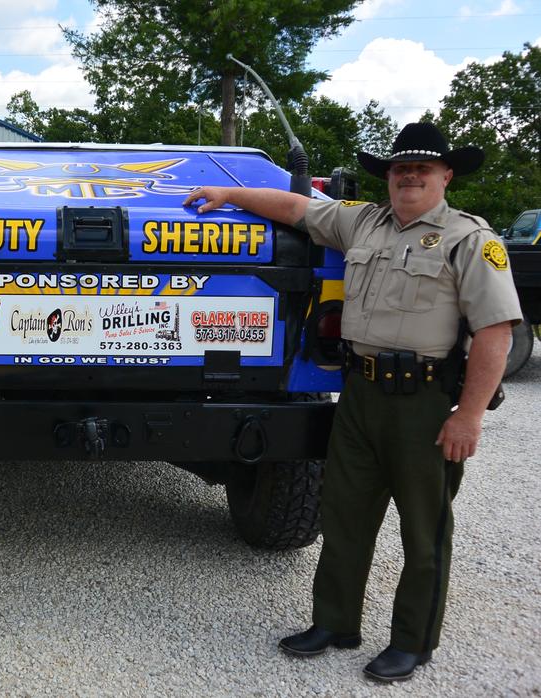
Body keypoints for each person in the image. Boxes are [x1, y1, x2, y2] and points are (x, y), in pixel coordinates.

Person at [183, 122, 521, 683]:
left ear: (445, 175)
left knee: (424, 527)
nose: (409, 176)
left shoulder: (470, 239)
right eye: (399, 168)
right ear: (388, 176)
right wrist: (228, 194)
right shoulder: (363, 220)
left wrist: (469, 415)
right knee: (344, 515)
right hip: (360, 393)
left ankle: (413, 642)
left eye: (422, 168)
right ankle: (335, 623)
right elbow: (294, 208)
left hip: (426, 401)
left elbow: (496, 334)